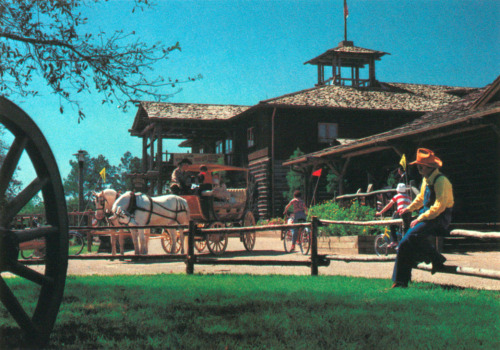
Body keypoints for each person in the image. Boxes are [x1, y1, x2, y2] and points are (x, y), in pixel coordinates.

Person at [391, 148, 454, 288]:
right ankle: (402, 280)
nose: (418, 168)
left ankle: (432, 259)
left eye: (420, 166)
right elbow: (420, 198)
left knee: (408, 240)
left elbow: (440, 206)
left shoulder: (441, 181)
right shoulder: (426, 179)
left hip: (440, 218)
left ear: (429, 167)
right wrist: (409, 209)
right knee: (406, 242)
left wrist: (420, 218)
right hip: (429, 215)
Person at [376, 183, 412, 248]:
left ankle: (394, 241)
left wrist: (380, 212)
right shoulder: (409, 197)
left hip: (401, 213)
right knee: (406, 228)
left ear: (398, 190)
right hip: (408, 214)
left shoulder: (397, 196)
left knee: (392, 224)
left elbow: (389, 205)